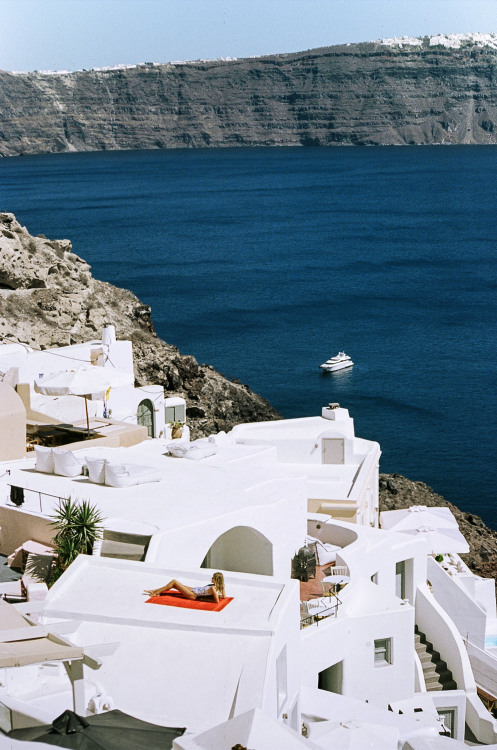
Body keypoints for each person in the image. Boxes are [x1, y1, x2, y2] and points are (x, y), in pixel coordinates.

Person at [145, 572, 225, 603]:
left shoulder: (213, 588)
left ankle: (156, 592)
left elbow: (216, 601)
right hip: (195, 589)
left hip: (193, 595)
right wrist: (219, 595)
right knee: (173, 584)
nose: (211, 578)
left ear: (215, 580)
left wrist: (202, 599)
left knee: (174, 582)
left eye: (212, 577)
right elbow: (223, 596)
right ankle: (155, 591)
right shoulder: (220, 587)